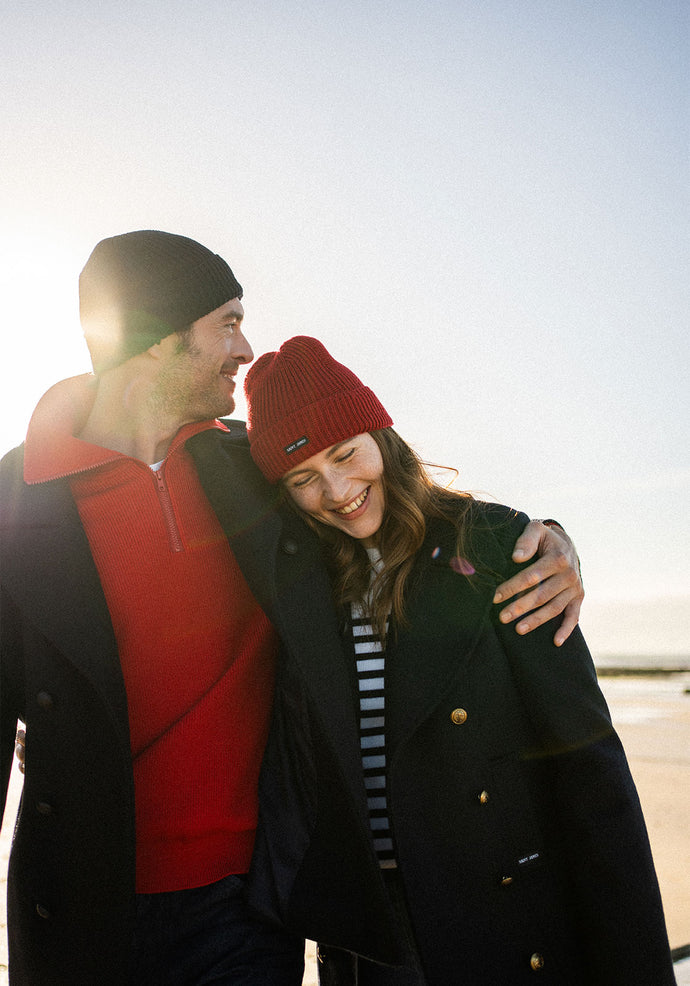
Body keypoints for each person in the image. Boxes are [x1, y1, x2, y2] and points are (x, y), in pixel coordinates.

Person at [0, 230, 583, 986]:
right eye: (228, 322)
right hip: (83, 901)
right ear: (156, 341)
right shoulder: (18, 498)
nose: (245, 350)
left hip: (250, 906)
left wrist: (549, 545)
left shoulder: (258, 470)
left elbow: (399, 512)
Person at [242, 336, 675, 986]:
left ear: (380, 434)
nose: (336, 491)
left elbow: (589, 769)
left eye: (345, 454)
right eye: (303, 479)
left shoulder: (499, 546)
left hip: (502, 915)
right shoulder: (303, 586)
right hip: (373, 942)